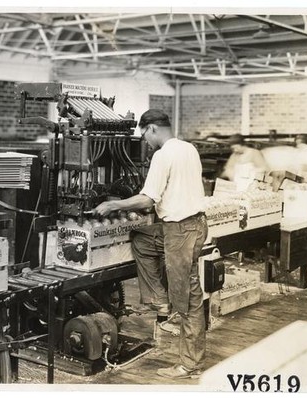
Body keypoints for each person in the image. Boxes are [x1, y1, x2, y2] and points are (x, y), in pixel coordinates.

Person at [94, 109, 208, 379]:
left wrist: (113, 204)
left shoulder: (162, 154)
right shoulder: (188, 148)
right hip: (193, 225)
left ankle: (189, 365)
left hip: (181, 231)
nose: (144, 140)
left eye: (143, 134)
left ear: (153, 128)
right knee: (142, 239)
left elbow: (148, 199)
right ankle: (160, 302)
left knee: (189, 299)